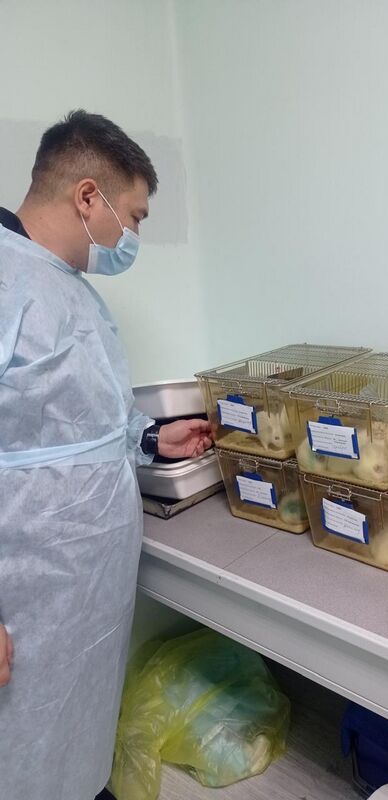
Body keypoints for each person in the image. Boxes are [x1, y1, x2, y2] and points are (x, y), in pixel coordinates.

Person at [0, 110, 213, 800]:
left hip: (85, 584)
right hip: (28, 593)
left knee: (76, 725)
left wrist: (152, 438)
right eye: (135, 216)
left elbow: (83, 423)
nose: (133, 237)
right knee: (22, 742)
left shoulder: (73, 293)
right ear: (89, 197)